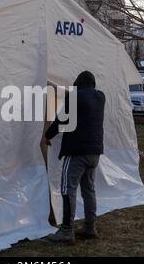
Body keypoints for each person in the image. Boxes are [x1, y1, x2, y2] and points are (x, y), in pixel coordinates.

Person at [45, 71, 106, 244]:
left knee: (67, 189)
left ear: (78, 83)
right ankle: (89, 227)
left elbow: (61, 121)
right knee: (89, 189)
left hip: (77, 152)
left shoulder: (75, 97)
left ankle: (66, 231)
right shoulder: (100, 97)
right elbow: (81, 102)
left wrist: (47, 136)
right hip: (95, 153)